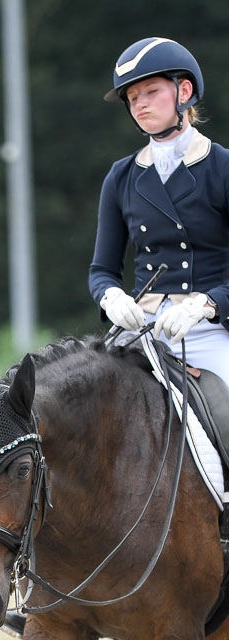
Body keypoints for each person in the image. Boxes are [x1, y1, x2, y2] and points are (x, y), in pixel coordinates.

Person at [88, 37, 229, 389]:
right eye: (133, 98)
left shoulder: (222, 168)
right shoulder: (121, 176)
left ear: (184, 91)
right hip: (141, 330)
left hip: (207, 330)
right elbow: (102, 270)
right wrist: (112, 298)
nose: (140, 104)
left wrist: (206, 305)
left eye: (151, 91)